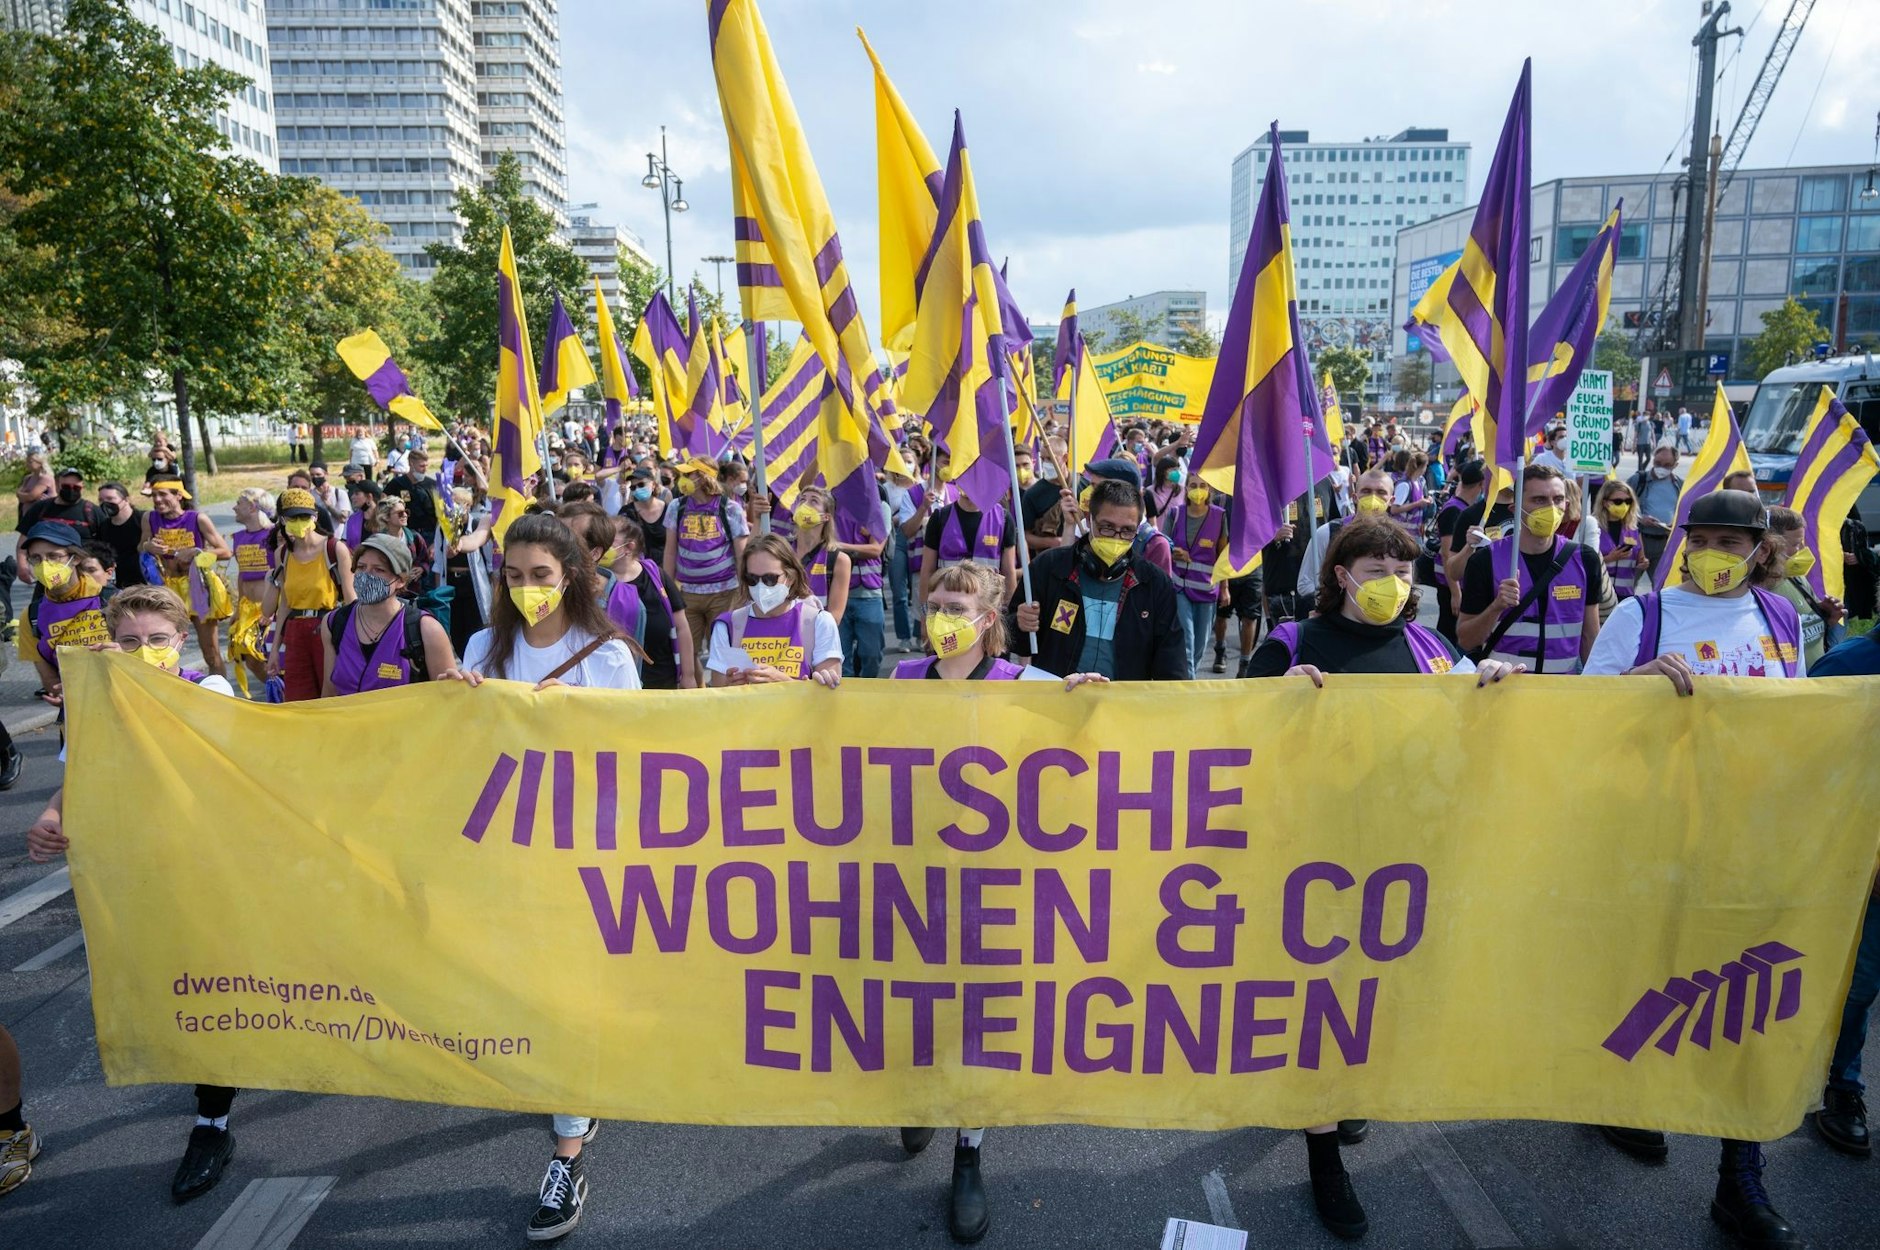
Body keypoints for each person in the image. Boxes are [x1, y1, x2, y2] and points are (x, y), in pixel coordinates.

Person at [1580, 489, 1802, 1247]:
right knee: (1645, 973)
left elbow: (1799, 721)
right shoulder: (1643, 615)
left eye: (1731, 543)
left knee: (1748, 998)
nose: (1714, 553)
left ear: (1760, 550)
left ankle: (1740, 1180)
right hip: (1653, 837)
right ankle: (1620, 1098)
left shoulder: (1779, 620)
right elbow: (1576, 720)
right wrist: (1634, 687)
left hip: (1749, 841)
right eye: (1700, 538)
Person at [438, 511, 639, 1242]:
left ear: (574, 577)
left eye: (542, 576)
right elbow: (463, 752)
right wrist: (456, 703)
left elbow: (638, 760)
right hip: (506, 850)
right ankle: (577, 1098)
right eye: (515, 577)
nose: (528, 589)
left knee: (567, 991)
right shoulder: (484, 648)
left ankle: (566, 1155)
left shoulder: (607, 654)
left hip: (585, 850)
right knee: (528, 989)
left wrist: (577, 723)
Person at [891, 562, 1103, 1243]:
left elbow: (1086, 738)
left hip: (990, 885)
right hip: (910, 876)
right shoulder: (896, 683)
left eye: (957, 605)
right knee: (911, 1001)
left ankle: (968, 1150)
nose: (941, 616)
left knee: (974, 1018)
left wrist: (1086, 699)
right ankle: (919, 1094)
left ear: (988, 620)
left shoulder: (1024, 685)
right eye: (934, 603)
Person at [25, 584, 239, 1203]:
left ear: (181, 640)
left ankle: (212, 1121)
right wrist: (49, 815)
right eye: (128, 642)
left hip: (212, 863)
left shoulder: (212, 690)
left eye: (157, 640)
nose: (143, 651)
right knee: (168, 982)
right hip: (138, 867)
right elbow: (81, 775)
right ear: (112, 645)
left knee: (215, 980)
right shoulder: (98, 702)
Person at [1010, 477, 1189, 681]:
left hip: (1121, 706)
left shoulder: (1155, 583)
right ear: (1089, 520)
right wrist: (1020, 623)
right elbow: (1013, 640)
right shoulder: (1049, 568)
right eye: (1107, 527)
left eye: (1127, 531)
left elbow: (1172, 663)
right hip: (1058, 701)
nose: (1116, 537)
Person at [1458, 464, 1605, 673]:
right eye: (1539, 500)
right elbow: (1466, 639)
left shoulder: (1585, 559)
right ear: (1516, 507)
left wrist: (1596, 691)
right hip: (1504, 690)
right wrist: (1496, 607)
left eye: (1558, 499)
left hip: (1560, 693)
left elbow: (1590, 636)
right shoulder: (1485, 560)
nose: (1551, 508)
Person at [321, 534, 453, 695]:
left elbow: (448, 697)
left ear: (401, 580)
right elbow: (329, 692)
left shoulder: (426, 630)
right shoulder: (334, 622)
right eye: (361, 567)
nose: (367, 575)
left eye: (379, 570)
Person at [706, 534, 843, 687]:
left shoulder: (819, 622)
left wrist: (783, 682)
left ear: (790, 577)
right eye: (752, 579)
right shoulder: (727, 625)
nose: (760, 586)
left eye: (769, 579)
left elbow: (829, 696)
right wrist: (731, 685)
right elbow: (718, 694)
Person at [263, 487, 355, 702]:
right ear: (283, 520)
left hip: (326, 627)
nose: (299, 521)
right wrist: (275, 649)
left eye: (304, 516)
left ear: (314, 517)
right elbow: (284, 604)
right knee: (298, 699)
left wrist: (353, 643)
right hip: (295, 632)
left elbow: (351, 599)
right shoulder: (283, 554)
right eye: (292, 517)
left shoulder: (335, 548)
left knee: (331, 695)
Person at [663, 457, 750, 674]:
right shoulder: (676, 506)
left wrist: (743, 590)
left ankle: (723, 694)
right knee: (687, 651)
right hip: (687, 594)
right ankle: (698, 691)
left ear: (703, 477)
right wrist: (665, 588)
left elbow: (741, 554)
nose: (683, 480)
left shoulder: (730, 509)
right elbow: (670, 550)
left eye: (689, 474)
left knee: (723, 651)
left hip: (724, 593)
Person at [140, 479, 232, 678]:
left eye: (163, 494)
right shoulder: (149, 518)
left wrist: (196, 551)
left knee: (210, 651)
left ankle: (221, 695)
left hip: (197, 586)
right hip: (168, 588)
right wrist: (149, 547)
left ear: (179, 496)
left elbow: (225, 552)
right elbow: (141, 546)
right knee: (164, 648)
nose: (157, 499)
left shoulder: (197, 519)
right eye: (154, 495)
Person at [19, 520, 110, 707]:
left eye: (53, 556)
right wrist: (60, 694)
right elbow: (49, 679)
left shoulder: (114, 601)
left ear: (75, 558)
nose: (45, 565)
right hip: (78, 714)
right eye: (36, 558)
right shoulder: (31, 616)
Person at [1296, 468, 1394, 609]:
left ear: (1391, 500)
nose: (1373, 497)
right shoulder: (1328, 533)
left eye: (1381, 492)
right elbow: (1305, 585)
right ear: (1355, 497)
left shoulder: (1398, 540)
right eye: (1366, 491)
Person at [1764, 507, 1846, 668]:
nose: (1800, 550)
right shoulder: (1759, 589)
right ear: (1770, 544)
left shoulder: (1796, 577)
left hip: (1819, 676)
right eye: (1795, 544)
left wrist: (1823, 614)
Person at [1161, 475, 1226, 673]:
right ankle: (1190, 686)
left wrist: (1225, 589)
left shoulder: (1219, 516)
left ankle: (1191, 677)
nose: (1198, 489)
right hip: (1180, 587)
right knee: (1187, 643)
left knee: (1200, 646)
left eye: (1203, 485)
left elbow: (1223, 556)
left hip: (1207, 590)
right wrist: (1173, 551)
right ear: (1186, 489)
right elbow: (1163, 545)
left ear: (1209, 490)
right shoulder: (1176, 514)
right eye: (1193, 485)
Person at [921, 481, 1018, 608]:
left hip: (987, 607)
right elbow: (927, 571)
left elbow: (1009, 573)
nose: (971, 481)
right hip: (949, 608)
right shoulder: (940, 517)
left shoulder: (1003, 518)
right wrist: (925, 614)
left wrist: (1010, 613)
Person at [831, 484, 892, 678]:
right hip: (838, 592)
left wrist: (838, 546)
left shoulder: (879, 507)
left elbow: (876, 549)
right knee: (840, 658)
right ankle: (845, 702)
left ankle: (867, 691)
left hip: (869, 593)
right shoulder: (832, 505)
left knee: (872, 654)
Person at [227, 489, 277, 697]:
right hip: (248, 609)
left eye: (239, 502)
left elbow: (281, 574)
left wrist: (274, 610)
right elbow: (241, 574)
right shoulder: (238, 537)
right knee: (249, 658)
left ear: (252, 506)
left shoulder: (273, 535)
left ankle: (282, 695)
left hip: (269, 609)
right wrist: (238, 609)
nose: (234, 507)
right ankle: (278, 690)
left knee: (270, 658)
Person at [1432, 460, 1487, 644]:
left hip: (1458, 583)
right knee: (1448, 636)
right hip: (1450, 584)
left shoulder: (1463, 507)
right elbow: (1448, 554)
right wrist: (1456, 593)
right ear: (1482, 484)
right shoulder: (1454, 510)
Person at [790, 486, 852, 626]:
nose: (805, 505)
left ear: (826, 517)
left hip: (817, 637)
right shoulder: (782, 551)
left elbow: (835, 617)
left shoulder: (838, 560)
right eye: (802, 500)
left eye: (813, 501)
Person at [1630, 444, 1684, 577]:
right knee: (1628, 584)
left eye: (1667, 465)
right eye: (1658, 463)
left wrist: (1676, 524)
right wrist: (1640, 518)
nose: (1661, 468)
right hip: (1639, 540)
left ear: (1675, 465)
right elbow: (1621, 506)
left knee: (1661, 586)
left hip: (1665, 543)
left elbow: (1686, 512)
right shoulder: (1639, 480)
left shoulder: (1679, 485)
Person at [1592, 479, 1648, 602]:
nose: (1624, 505)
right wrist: (1609, 559)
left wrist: (1643, 563)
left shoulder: (1633, 529)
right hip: (1600, 594)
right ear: (1605, 502)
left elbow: (1641, 559)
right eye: (1618, 501)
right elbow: (1583, 563)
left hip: (1626, 595)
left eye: (1628, 501)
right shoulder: (1593, 527)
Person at [20, 466, 105, 541]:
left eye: (76, 487)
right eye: (66, 487)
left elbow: (107, 544)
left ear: (82, 487)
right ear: (57, 485)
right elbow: (22, 543)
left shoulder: (93, 512)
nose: (71, 490)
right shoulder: (40, 508)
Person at [96, 480, 147, 588]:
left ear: (126, 500)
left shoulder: (143, 519)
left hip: (146, 582)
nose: (105, 503)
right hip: (120, 585)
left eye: (110, 499)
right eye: (101, 500)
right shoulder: (104, 526)